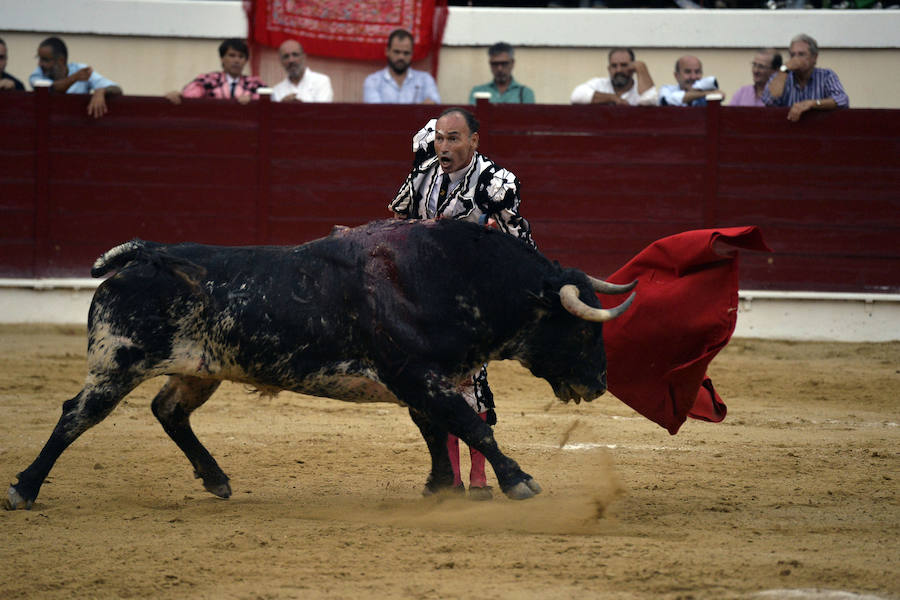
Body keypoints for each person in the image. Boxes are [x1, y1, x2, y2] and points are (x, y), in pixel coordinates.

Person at [389, 107, 534, 499]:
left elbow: (517, 245)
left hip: (469, 301)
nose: (443, 146)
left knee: (469, 379)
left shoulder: (495, 183)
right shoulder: (423, 172)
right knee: (433, 385)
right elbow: (399, 223)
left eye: (453, 138)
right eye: (439, 137)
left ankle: (479, 477)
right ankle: (452, 476)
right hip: (421, 295)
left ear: (474, 141)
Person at [762, 33, 849, 122]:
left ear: (814, 57)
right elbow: (768, 101)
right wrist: (784, 70)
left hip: (819, 130)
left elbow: (842, 100)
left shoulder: (826, 76)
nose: (795, 59)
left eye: (801, 54)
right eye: (792, 55)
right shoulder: (782, 76)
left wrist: (813, 104)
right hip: (788, 131)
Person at [28, 36, 122, 118]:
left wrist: (101, 91)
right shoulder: (37, 75)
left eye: (45, 60)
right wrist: (74, 78)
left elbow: (116, 88)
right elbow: (53, 89)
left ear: (61, 60)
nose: (40, 64)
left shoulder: (79, 69)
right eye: (39, 58)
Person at [165, 38, 264, 105]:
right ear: (222, 58)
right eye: (232, 55)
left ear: (246, 61)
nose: (236, 60)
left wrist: (252, 99)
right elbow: (189, 95)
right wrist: (179, 96)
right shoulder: (208, 80)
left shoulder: (255, 84)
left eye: (241, 56)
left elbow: (268, 100)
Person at [363, 29, 440, 104]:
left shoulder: (425, 80)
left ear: (412, 54)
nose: (401, 57)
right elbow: (376, 113)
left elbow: (433, 106)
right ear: (387, 51)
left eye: (406, 53)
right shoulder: (373, 81)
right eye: (397, 52)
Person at [570, 47, 658, 106]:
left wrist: (641, 68)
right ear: (609, 69)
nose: (618, 70)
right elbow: (576, 95)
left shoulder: (639, 89)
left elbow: (651, 100)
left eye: (624, 65)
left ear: (632, 67)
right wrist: (613, 98)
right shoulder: (600, 84)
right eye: (614, 66)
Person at [468, 42, 535, 104]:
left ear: (512, 63)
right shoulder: (478, 92)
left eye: (504, 64)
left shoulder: (524, 93)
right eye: (495, 64)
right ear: (490, 64)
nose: (499, 69)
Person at [659, 55, 724, 107]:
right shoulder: (667, 90)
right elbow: (667, 101)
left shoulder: (707, 91)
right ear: (676, 76)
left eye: (697, 72)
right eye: (688, 72)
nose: (693, 77)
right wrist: (704, 93)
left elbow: (721, 95)